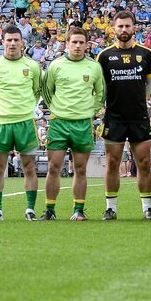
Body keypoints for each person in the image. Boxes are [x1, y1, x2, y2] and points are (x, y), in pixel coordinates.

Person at [97, 10, 151, 220]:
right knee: (113, 163)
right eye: (120, 26)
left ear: (134, 28)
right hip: (114, 117)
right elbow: (101, 86)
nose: (124, 30)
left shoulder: (146, 54)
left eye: (127, 26)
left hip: (139, 117)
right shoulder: (104, 56)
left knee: (143, 162)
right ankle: (111, 208)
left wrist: (138, 99)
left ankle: (147, 207)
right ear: (113, 28)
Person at [41, 27, 105, 221]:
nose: (77, 46)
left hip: (82, 124)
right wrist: (57, 109)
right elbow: (47, 91)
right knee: (54, 167)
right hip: (59, 123)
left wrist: (90, 112)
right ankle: (50, 210)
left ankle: (78, 210)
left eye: (81, 42)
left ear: (87, 45)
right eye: (73, 42)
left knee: (80, 169)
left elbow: (100, 94)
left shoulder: (94, 67)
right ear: (66, 44)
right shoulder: (55, 66)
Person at [0, 25, 42, 221]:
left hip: (25, 122)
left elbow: (37, 91)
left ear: (22, 42)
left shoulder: (32, 66)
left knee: (29, 168)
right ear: (3, 42)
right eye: (9, 40)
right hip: (1, 123)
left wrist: (26, 108)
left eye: (16, 40)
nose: (13, 43)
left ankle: (30, 210)